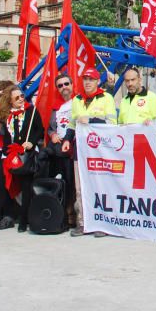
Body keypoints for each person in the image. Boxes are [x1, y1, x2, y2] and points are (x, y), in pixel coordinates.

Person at [0, 86, 43, 234]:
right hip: (9, 154)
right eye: (17, 98)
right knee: (1, 187)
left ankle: (24, 220)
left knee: (26, 187)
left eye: (21, 96)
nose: (21, 99)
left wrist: (31, 142)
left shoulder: (31, 111)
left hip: (25, 153)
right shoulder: (6, 113)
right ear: (10, 101)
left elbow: (40, 129)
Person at [62, 67, 117, 237]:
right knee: (80, 188)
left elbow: (111, 121)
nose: (87, 82)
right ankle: (82, 222)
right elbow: (72, 123)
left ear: (98, 81)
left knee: (101, 187)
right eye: (85, 79)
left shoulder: (106, 97)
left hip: (100, 151)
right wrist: (66, 140)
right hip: (81, 149)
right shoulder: (77, 99)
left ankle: (103, 224)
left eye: (91, 79)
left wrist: (91, 119)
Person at [39, 72, 76, 227]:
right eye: (60, 85)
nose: (64, 87)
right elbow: (50, 127)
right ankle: (60, 212)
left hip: (73, 148)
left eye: (66, 84)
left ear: (72, 85)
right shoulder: (56, 107)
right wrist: (52, 134)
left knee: (72, 183)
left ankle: (73, 214)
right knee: (60, 181)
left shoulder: (79, 102)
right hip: (58, 148)